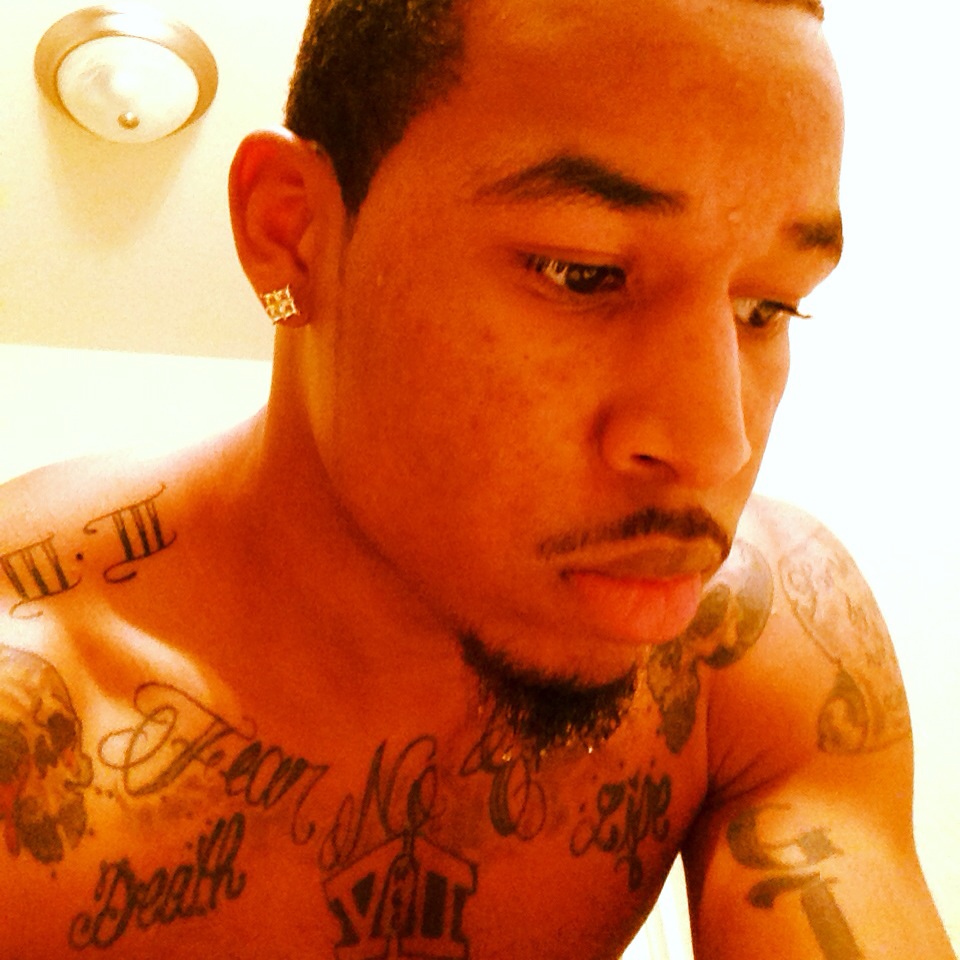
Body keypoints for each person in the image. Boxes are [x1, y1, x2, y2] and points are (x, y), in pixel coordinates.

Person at [0, 0, 954, 956]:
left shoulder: (752, 639)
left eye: (768, 307)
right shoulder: (32, 710)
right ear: (294, 234)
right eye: (581, 272)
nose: (718, 445)